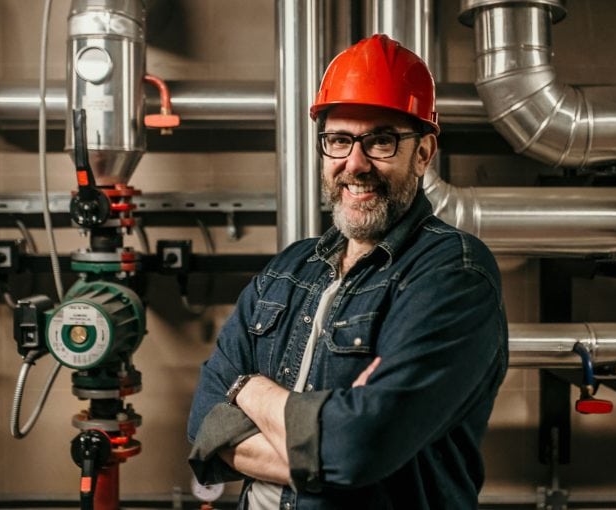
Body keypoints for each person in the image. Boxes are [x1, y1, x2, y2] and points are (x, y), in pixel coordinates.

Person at [187, 34, 508, 509]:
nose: (354, 164)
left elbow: (356, 449)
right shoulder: (288, 270)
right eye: (339, 140)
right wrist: (324, 446)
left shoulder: (454, 274)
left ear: (423, 153)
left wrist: (248, 390)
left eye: (380, 141)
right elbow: (202, 428)